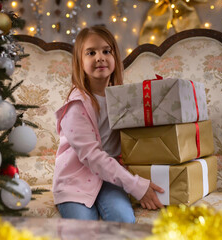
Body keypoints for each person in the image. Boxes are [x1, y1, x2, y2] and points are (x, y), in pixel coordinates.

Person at [52, 26, 164, 223]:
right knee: (82, 228)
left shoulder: (123, 99)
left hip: (110, 179)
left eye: (106, 51)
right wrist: (136, 185)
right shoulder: (75, 106)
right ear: (79, 61)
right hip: (75, 181)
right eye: (91, 52)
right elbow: (92, 156)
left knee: (123, 220)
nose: (100, 57)